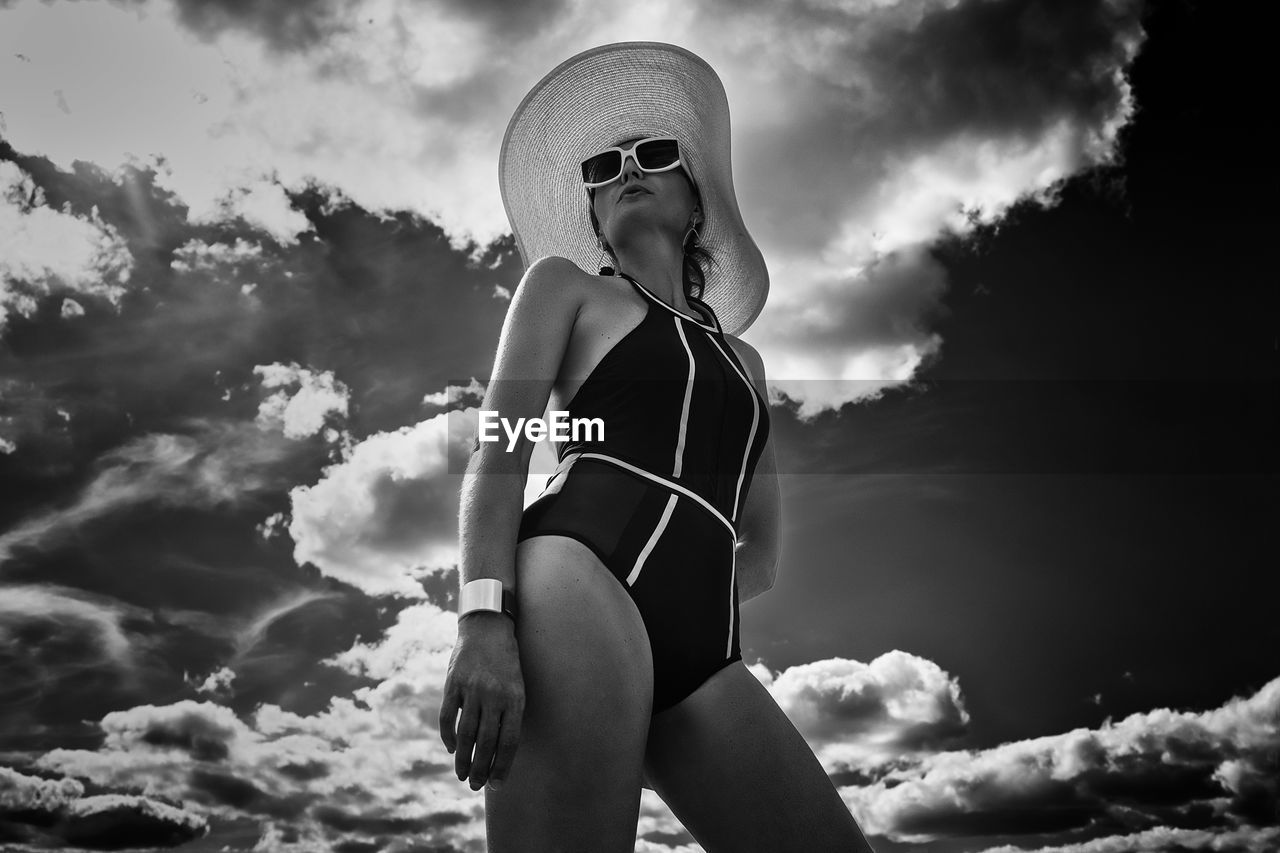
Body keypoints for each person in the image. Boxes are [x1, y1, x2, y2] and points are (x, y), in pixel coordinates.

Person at [439, 42, 876, 852]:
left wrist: (670, 618)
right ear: (594, 211)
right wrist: (484, 623)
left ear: (696, 201)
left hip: (704, 648)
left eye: (655, 155)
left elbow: (765, 551)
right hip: (575, 575)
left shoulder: (748, 365)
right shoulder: (564, 288)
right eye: (603, 166)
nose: (626, 170)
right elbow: (497, 454)